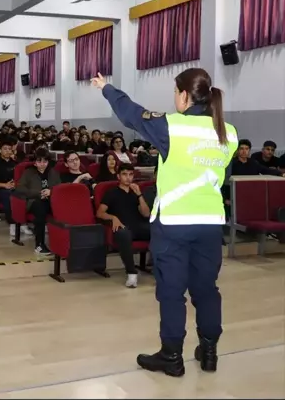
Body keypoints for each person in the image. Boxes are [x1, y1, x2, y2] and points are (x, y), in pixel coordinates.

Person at [92, 68, 238, 377]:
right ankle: (209, 351)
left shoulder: (173, 127)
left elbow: (131, 114)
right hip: (210, 224)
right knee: (206, 289)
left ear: (184, 95)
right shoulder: (229, 133)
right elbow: (220, 178)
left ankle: (172, 356)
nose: (174, 99)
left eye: (175, 92)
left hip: (173, 223)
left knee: (171, 292)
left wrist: (107, 88)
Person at [96, 163, 150, 287]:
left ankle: (162, 270)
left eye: (131, 175)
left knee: (160, 230)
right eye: (124, 174)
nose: (128, 178)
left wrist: (139, 195)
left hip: (139, 225)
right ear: (118, 176)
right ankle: (131, 273)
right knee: (123, 233)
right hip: (123, 227)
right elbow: (100, 213)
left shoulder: (136, 192)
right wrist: (113, 217)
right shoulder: (111, 193)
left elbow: (146, 214)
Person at [15, 148, 60, 256]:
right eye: (39, 161)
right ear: (35, 162)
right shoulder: (28, 172)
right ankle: (39, 244)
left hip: (51, 200)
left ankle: (62, 242)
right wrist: (38, 193)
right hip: (34, 201)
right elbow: (20, 188)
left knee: (61, 209)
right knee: (40, 209)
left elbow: (59, 187)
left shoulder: (53, 172)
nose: (42, 164)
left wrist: (51, 191)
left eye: (45, 161)